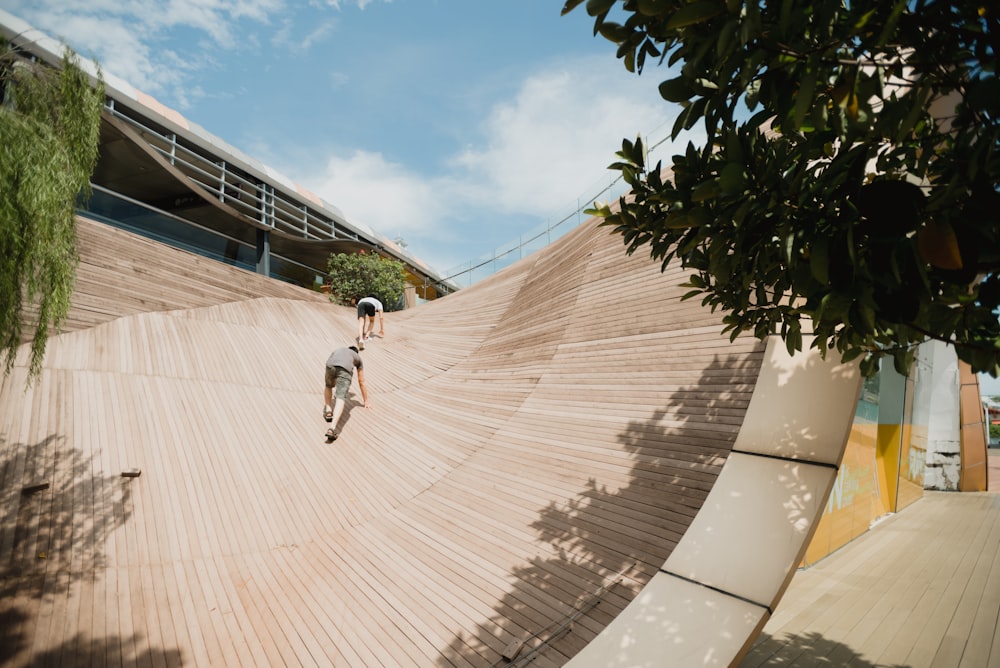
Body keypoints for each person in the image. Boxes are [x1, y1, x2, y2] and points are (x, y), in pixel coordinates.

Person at [323, 344, 370, 441]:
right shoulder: (358, 358)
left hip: (330, 365)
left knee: (328, 386)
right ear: (356, 353)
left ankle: (328, 410)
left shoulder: (339, 349)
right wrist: (366, 401)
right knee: (340, 397)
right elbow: (361, 381)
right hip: (345, 370)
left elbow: (334, 366)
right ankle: (332, 428)